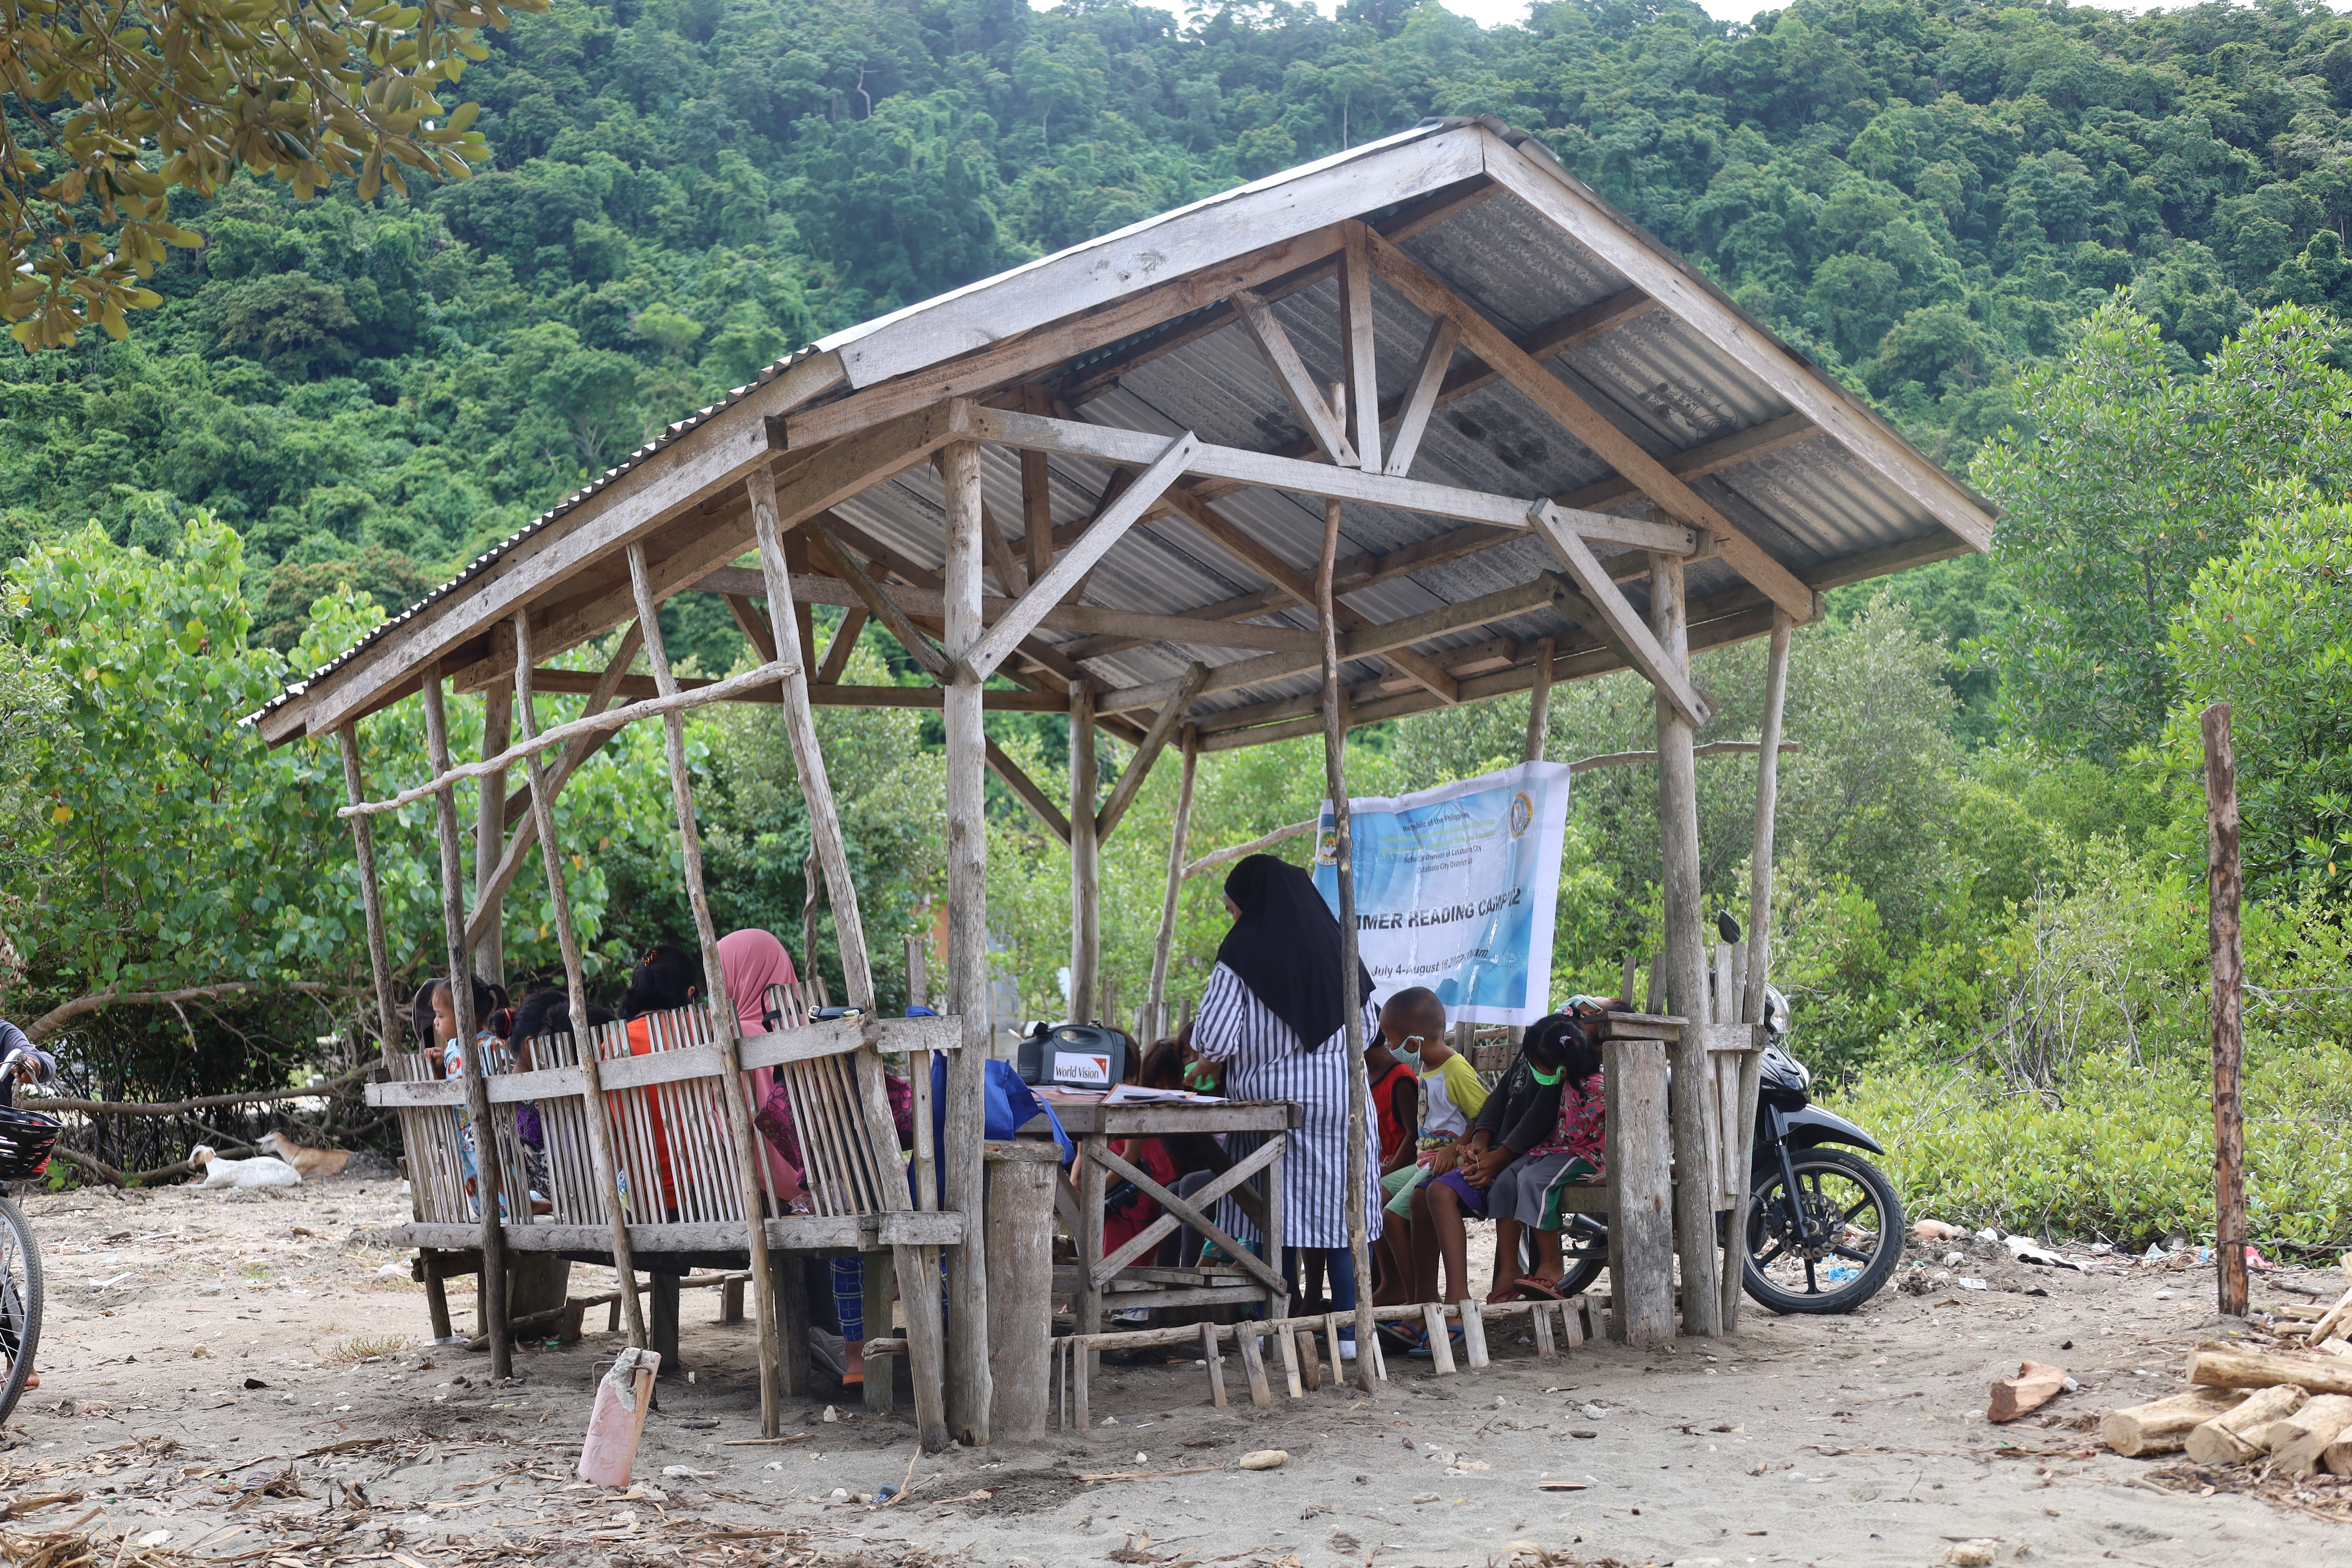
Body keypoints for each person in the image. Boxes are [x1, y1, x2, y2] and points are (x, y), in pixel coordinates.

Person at [1191, 854, 1381, 1357]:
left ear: (1251, 904)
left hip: (1271, 1106)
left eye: (1234, 910)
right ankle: (1348, 1333)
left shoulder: (1243, 951)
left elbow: (1211, 1039)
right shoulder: (1337, 943)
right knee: (1343, 1214)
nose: (1235, 920)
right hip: (1345, 1103)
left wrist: (1218, 1061)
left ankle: (1274, 1319)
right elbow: (1374, 1026)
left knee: (1272, 1211)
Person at [1406, 1016, 1566, 1317]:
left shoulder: (1555, 1063)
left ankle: (1458, 1300)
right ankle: (1425, 1303)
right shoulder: (1532, 1052)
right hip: (1496, 1153)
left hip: (1522, 1157)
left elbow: (1537, 1121)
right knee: (1419, 1197)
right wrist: (1480, 1139)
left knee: (1440, 1193)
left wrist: (1497, 1157)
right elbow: (1495, 1101)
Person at [1371, 988, 1484, 1307]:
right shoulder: (1426, 1066)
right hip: (1426, 1161)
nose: (1389, 1047)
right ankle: (1397, 1287)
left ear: (1412, 1042)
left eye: (1391, 1040)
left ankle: (1420, 1299)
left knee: (1392, 1217)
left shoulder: (1455, 1069)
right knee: (1375, 1197)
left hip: (1448, 1163)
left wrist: (1456, 1149)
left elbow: (1486, 1115)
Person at [1516, 998, 1617, 1299]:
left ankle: (1551, 1266)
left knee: (1532, 1181)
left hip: (1591, 1157)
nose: (1534, 1069)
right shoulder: (1572, 1082)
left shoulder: (1597, 1088)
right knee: (1522, 1173)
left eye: (1537, 1063)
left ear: (1560, 1067)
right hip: (1571, 1149)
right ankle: (1533, 1266)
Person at [0, 1016, 55, 1388]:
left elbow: (38, 1057)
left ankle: (20, 1360)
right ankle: (22, 1358)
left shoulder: (2, 1033)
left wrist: (31, 1063)